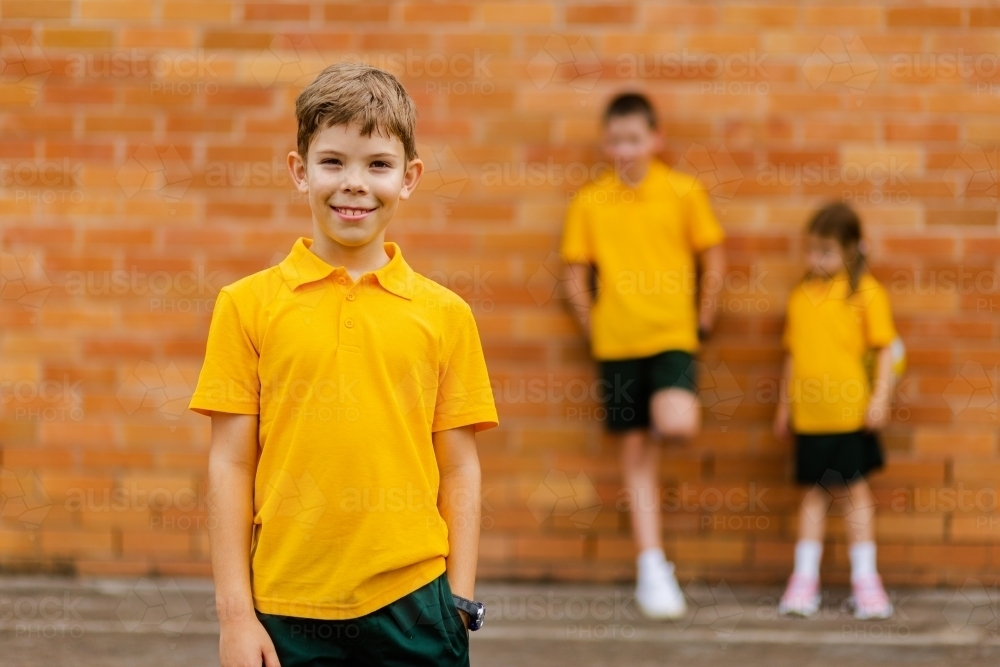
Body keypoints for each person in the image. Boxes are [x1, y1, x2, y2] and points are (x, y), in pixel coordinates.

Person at [188, 62, 498, 667]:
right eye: (333, 162)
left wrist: (458, 602)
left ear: (409, 178)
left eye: (377, 165)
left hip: (415, 605)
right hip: (285, 606)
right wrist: (235, 617)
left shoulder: (446, 313)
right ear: (299, 171)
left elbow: (459, 466)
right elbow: (229, 462)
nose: (354, 183)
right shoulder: (246, 305)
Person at [560, 92, 727, 619]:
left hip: (673, 335)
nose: (624, 148)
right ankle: (652, 566)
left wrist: (703, 318)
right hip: (617, 344)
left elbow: (714, 257)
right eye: (615, 140)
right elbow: (573, 273)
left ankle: (655, 562)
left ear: (656, 139)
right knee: (634, 456)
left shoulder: (683, 192)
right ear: (605, 144)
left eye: (634, 138)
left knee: (675, 423)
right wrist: (594, 325)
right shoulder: (591, 200)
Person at [774, 202, 900, 620]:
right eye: (810, 250)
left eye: (825, 251)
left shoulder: (867, 294)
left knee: (855, 494)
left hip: (850, 415)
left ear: (849, 250)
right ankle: (803, 581)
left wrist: (880, 397)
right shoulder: (800, 296)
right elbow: (792, 357)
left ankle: (866, 582)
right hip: (811, 418)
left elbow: (884, 350)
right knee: (812, 495)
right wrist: (783, 406)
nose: (815, 259)